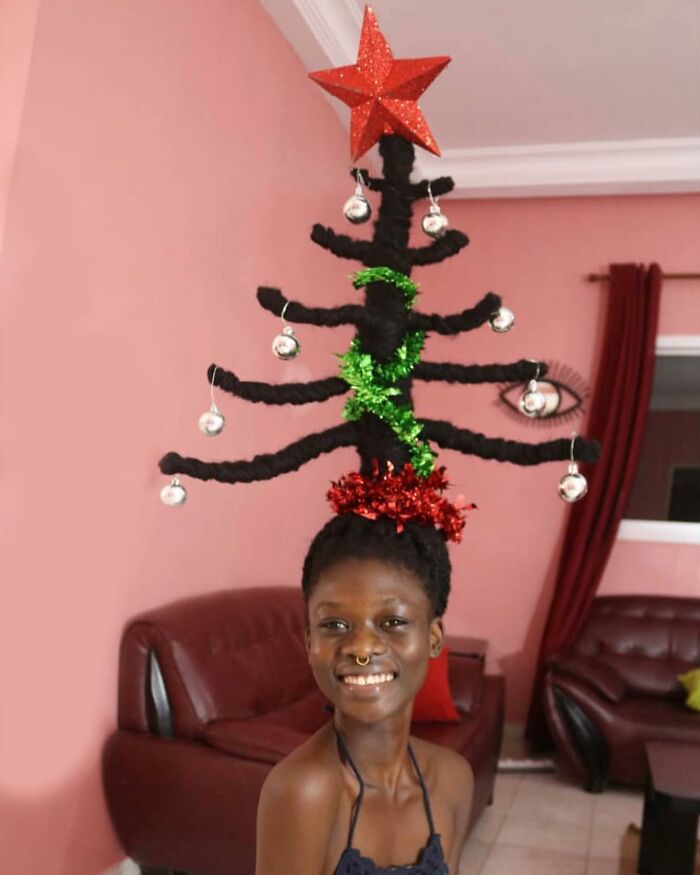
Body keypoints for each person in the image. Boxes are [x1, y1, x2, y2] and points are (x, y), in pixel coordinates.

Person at [255, 511, 474, 875]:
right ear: (310, 642)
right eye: (335, 624)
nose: (362, 648)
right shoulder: (302, 791)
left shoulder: (453, 780)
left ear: (433, 638)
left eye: (393, 622)